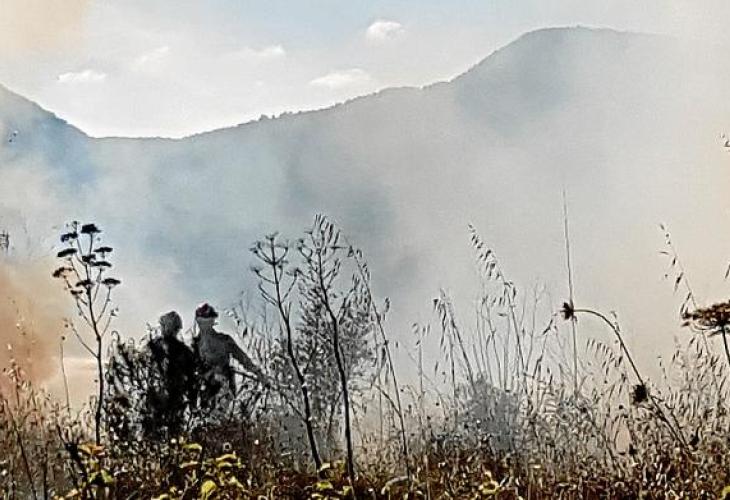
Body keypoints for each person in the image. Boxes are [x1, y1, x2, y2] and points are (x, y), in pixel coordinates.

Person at [194, 303, 264, 399]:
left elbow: (243, 359)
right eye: (202, 322)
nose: (204, 326)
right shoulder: (194, 345)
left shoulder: (224, 340)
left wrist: (259, 374)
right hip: (203, 392)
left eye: (207, 321)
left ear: (212, 321)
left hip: (224, 389)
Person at [144, 311, 196, 438]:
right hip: (160, 397)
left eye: (164, 326)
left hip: (171, 398)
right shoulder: (154, 346)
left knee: (167, 432)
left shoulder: (155, 346)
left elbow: (191, 378)